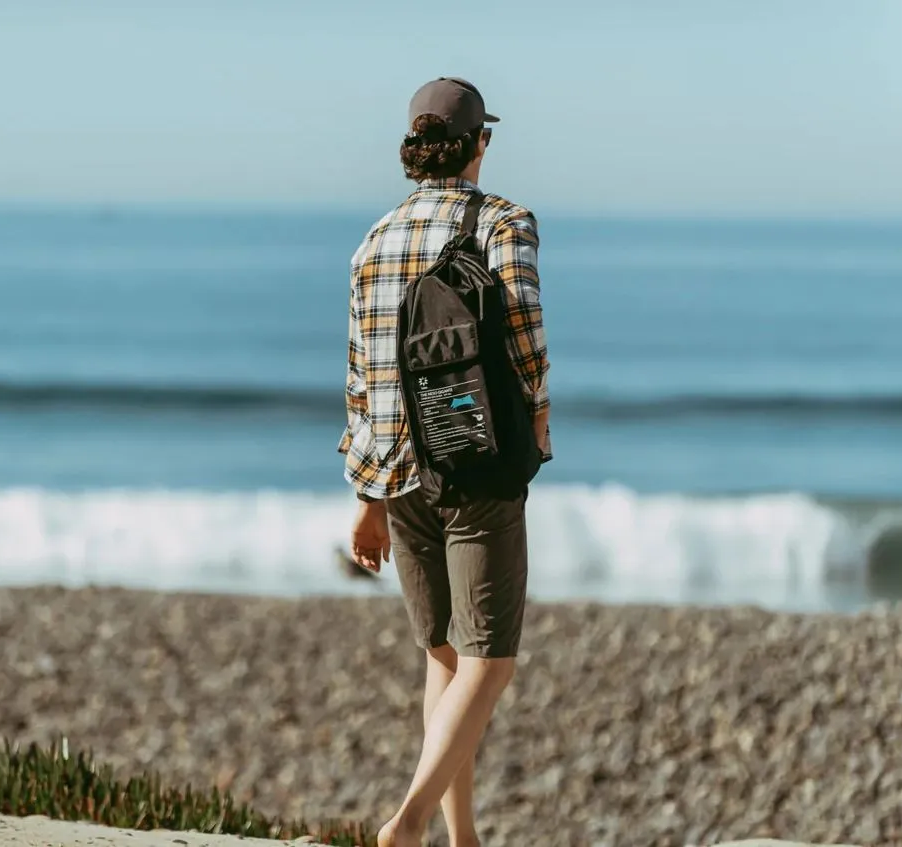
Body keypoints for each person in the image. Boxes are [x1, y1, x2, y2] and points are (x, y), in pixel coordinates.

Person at [337, 77, 551, 847]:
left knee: (446, 659)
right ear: (479, 144)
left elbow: (361, 377)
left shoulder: (374, 239)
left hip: (398, 475)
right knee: (489, 662)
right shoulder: (503, 221)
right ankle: (410, 821)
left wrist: (366, 494)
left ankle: (463, 840)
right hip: (476, 462)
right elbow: (523, 321)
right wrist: (537, 409)